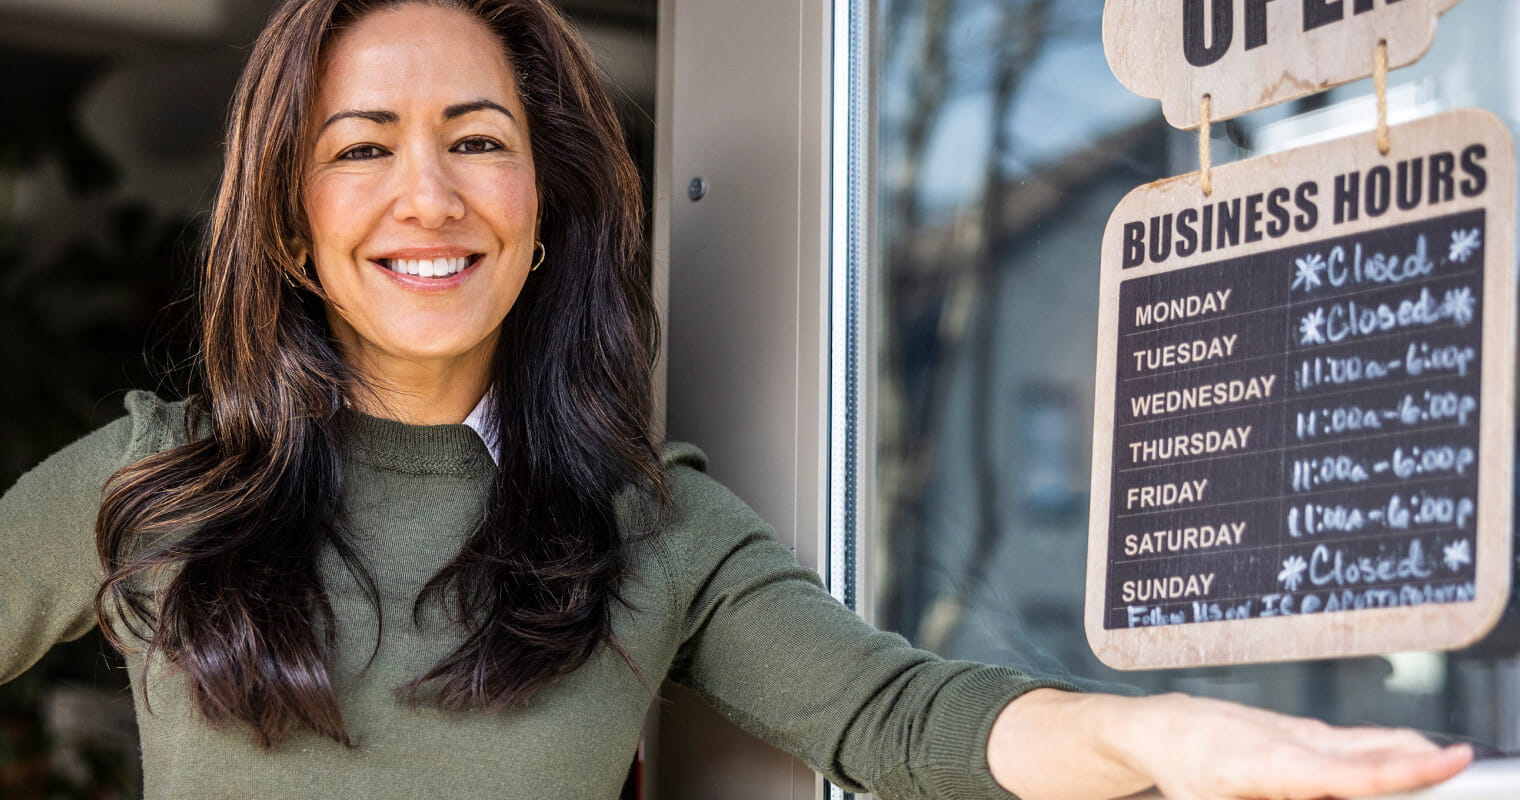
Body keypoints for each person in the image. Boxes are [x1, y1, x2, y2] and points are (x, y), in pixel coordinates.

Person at [0, 1, 1476, 798]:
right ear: (287, 221)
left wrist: (1162, 737)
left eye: (478, 138)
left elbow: (902, 717)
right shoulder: (156, 490)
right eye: (363, 147)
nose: (429, 196)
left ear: (544, 202)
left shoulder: (647, 531)